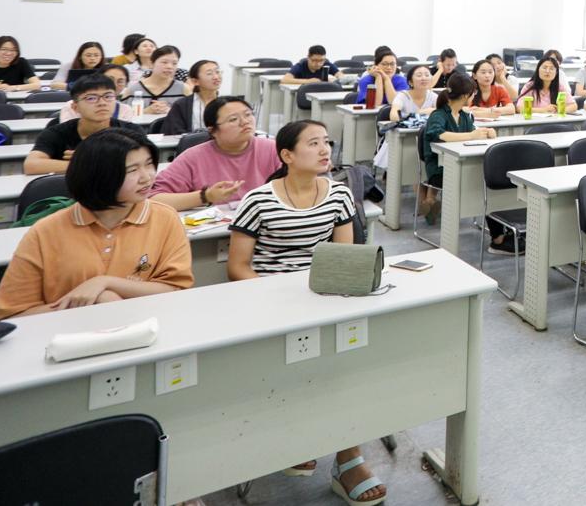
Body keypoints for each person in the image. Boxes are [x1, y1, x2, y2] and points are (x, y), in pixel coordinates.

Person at [227, 121, 387, 505]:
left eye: (326, 142)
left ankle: (348, 458)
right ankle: (301, 436)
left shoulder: (339, 195)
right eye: (313, 143)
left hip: (323, 295)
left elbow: (345, 258)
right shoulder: (259, 200)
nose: (324, 149)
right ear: (286, 155)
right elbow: (238, 266)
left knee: (350, 362)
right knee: (298, 367)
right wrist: (278, 302)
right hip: (270, 300)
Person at [0, 129, 192, 319]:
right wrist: (96, 303)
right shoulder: (47, 231)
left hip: (146, 331)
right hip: (63, 338)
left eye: (149, 164)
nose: (147, 177)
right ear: (98, 176)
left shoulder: (164, 217)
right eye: (132, 170)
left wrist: (105, 284)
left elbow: (177, 288)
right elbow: (13, 312)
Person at [152, 97, 277, 211]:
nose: (245, 122)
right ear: (213, 131)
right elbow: (154, 199)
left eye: (248, 114)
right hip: (213, 231)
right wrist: (206, 196)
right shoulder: (193, 157)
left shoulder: (273, 149)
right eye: (233, 119)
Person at [25, 75, 148, 174]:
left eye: (108, 96)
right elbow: (31, 165)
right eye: (91, 98)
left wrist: (91, 159)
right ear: (75, 107)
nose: (102, 103)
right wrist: (85, 164)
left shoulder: (131, 131)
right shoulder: (57, 132)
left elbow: (145, 162)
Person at [419, 75, 494, 225]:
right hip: (439, 169)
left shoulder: (465, 116)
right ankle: (430, 203)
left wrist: (487, 133)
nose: (474, 96)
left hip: (460, 164)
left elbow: (474, 133)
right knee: (477, 181)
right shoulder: (438, 115)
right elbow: (439, 134)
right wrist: (471, 135)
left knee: (485, 180)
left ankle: (430, 202)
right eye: (473, 94)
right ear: (466, 95)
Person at [158, 59, 222, 135]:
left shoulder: (226, 104)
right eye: (209, 73)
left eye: (217, 72)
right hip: (191, 145)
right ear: (195, 81)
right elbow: (174, 132)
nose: (216, 77)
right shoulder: (182, 105)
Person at [61, 65, 138, 124]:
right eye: (110, 79)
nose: (114, 84)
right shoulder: (72, 106)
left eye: (120, 81)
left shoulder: (125, 109)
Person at [124, 44, 185, 113]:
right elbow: (121, 117)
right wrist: (145, 111)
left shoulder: (184, 89)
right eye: (164, 62)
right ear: (152, 63)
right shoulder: (133, 90)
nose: (170, 67)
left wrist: (170, 111)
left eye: (174, 63)